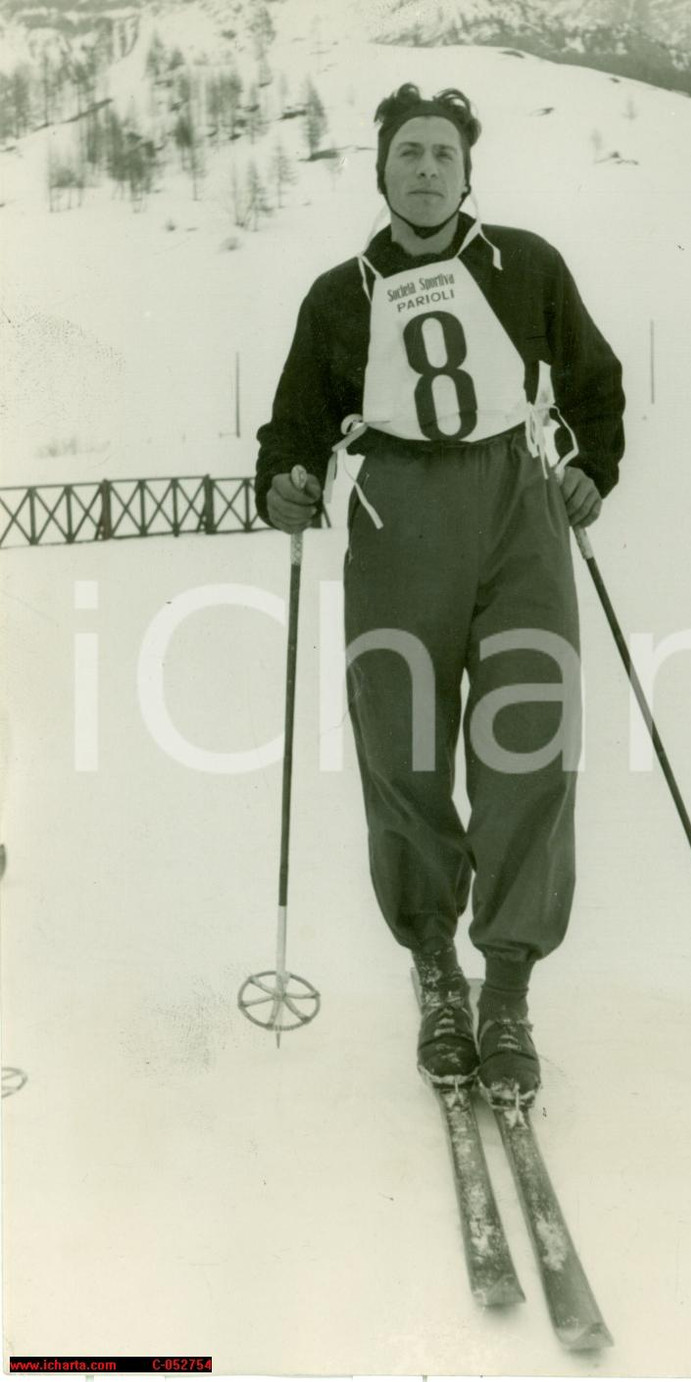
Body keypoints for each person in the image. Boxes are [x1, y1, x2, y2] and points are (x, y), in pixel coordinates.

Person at [255, 84, 625, 1107]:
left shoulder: (528, 264)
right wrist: (284, 481)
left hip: (516, 506)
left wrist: (595, 463)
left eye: (443, 154)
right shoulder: (340, 292)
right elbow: (291, 426)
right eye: (408, 153)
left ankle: (505, 986)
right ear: (381, 173)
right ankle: (435, 973)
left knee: (529, 733)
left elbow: (595, 382)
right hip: (395, 516)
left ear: (469, 171)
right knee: (402, 745)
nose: (425, 169)